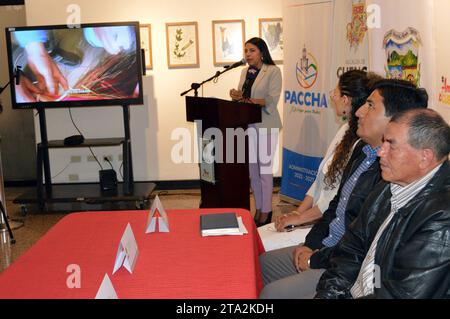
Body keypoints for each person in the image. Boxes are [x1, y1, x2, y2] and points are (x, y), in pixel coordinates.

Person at [259, 79, 428, 299]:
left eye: (370, 106)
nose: (358, 112)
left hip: (344, 267)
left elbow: (362, 244)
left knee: (273, 294)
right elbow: (335, 207)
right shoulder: (362, 151)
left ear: (395, 120)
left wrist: (315, 258)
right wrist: (309, 245)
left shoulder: (393, 172)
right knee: (262, 263)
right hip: (324, 248)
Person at [316, 108, 450, 299]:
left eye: (390, 145)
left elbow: (402, 294)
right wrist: (328, 295)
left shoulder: (443, 215)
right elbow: (350, 250)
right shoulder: (387, 185)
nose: (380, 152)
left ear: (425, 157)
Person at [273, 70, 382, 231]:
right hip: (316, 219)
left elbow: (335, 198)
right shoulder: (344, 130)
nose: (331, 96)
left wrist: (300, 218)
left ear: (345, 100)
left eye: (335, 92)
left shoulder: (361, 144)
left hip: (326, 223)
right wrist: (296, 213)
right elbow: (319, 182)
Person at [229, 37, 282, 227]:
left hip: (266, 126)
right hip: (248, 125)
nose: (248, 54)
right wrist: (236, 96)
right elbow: (245, 97)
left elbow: (270, 100)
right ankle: (258, 207)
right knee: (253, 171)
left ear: (261, 52)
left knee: (265, 171)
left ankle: (267, 211)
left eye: (251, 50)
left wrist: (246, 99)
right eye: (245, 51)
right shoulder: (245, 72)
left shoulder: (273, 71)